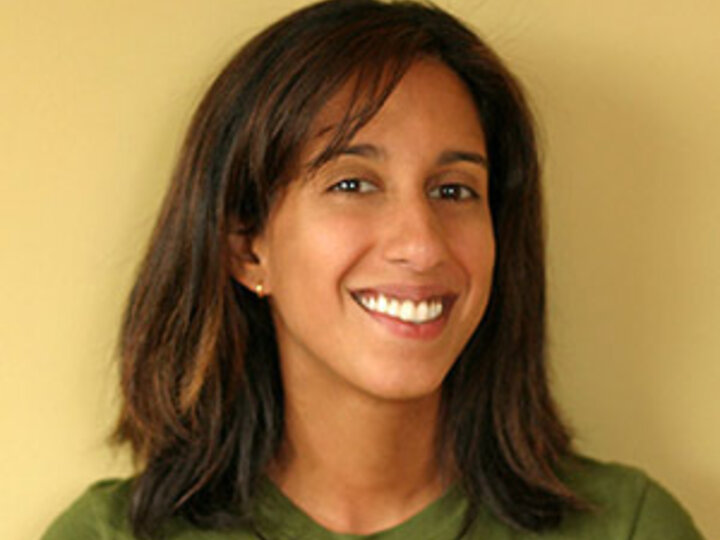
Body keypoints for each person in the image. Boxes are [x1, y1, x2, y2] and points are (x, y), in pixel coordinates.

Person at [42, 1, 704, 538]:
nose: (422, 245)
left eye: (454, 190)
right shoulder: (110, 534)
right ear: (247, 247)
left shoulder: (631, 527)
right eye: (353, 185)